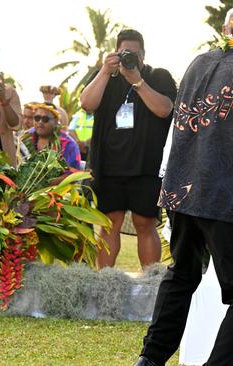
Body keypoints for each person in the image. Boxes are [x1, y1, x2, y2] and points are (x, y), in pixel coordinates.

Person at [134, 4, 233, 366]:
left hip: (179, 190)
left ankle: (149, 359)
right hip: (221, 196)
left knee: (182, 275)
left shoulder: (198, 62)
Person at [80, 29, 177, 270]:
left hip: (146, 164)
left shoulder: (158, 76)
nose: (130, 57)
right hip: (109, 165)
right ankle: (106, 284)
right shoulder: (106, 76)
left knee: (145, 223)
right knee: (109, 223)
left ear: (143, 54)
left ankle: (149, 283)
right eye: (125, 53)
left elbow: (165, 109)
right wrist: (104, 70)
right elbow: (86, 103)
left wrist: (138, 81)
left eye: (135, 53)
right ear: (116, 52)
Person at [21, 102, 81, 170]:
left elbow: (73, 174)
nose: (40, 122)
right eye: (37, 118)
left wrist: (47, 180)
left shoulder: (68, 145)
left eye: (45, 119)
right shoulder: (25, 138)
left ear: (55, 121)